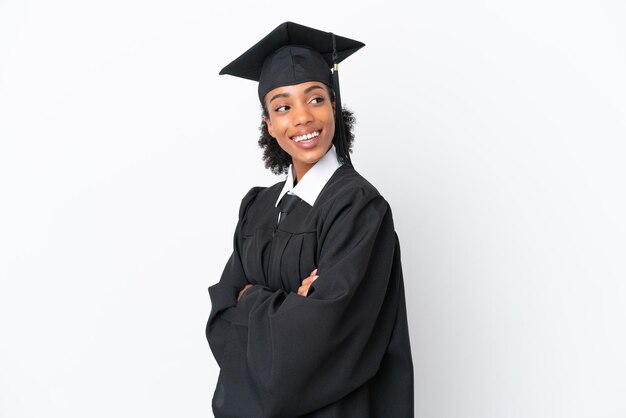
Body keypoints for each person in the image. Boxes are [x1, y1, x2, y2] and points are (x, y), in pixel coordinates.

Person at [206, 21, 414, 417]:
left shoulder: (357, 207)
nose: (302, 118)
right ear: (269, 123)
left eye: (315, 99)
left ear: (334, 106)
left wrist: (249, 297)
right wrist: (285, 306)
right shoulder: (258, 207)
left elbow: (321, 338)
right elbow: (219, 323)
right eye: (283, 107)